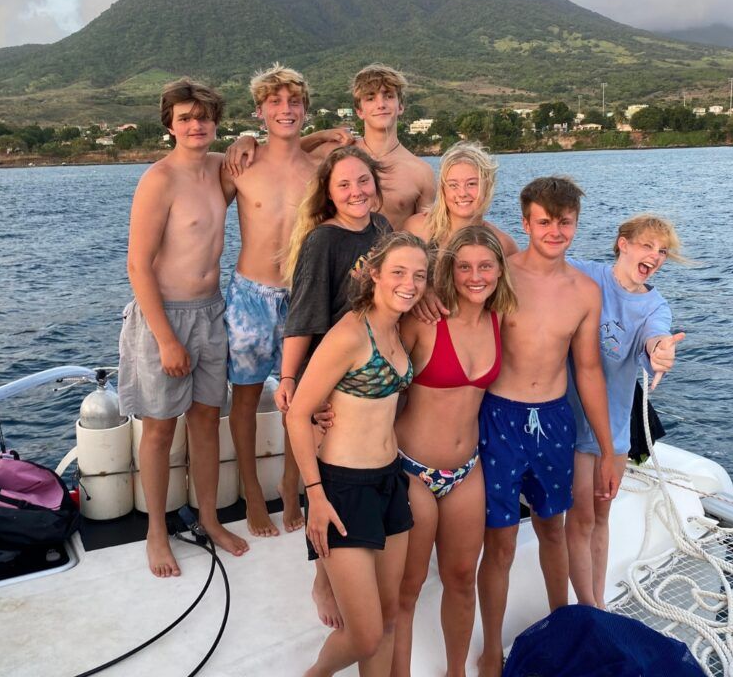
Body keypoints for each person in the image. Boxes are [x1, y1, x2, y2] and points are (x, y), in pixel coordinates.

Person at [475, 176, 619, 677]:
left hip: (555, 419)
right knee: (501, 541)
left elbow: (589, 370)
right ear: (526, 222)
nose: (554, 231)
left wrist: (608, 448)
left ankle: (564, 633)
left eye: (564, 222)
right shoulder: (501, 277)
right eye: (544, 221)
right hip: (499, 417)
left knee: (553, 532)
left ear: (576, 223)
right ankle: (491, 648)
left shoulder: (585, 290)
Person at [118, 78, 248, 578]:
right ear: (170, 123)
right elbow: (137, 265)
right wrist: (167, 338)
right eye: (185, 117)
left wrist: (322, 139)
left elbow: (283, 154)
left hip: (211, 312)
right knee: (158, 429)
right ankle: (156, 531)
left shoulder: (221, 169)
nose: (196, 125)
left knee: (205, 422)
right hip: (164, 318)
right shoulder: (160, 179)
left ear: (216, 121)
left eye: (204, 117)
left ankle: (211, 519)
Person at [285, 232, 430, 677]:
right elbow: (298, 415)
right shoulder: (349, 333)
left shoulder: (397, 326)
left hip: (389, 481)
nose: (410, 283)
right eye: (399, 272)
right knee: (364, 633)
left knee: (387, 619)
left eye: (419, 275)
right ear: (374, 275)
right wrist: (315, 496)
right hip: (343, 488)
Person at [392, 226, 517, 677]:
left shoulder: (500, 320)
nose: (475, 276)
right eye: (464, 266)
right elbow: (378, 373)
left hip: (467, 470)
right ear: (450, 271)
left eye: (485, 266)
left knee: (462, 579)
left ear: (501, 271)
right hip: (411, 469)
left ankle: (455, 672)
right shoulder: (425, 322)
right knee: (407, 589)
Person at [275, 145, 392, 628]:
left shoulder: (383, 231)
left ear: (376, 185)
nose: (355, 191)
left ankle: (349, 561)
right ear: (328, 192)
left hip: (370, 376)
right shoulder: (323, 242)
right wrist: (289, 380)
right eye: (343, 184)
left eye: (362, 181)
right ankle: (324, 578)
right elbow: (303, 314)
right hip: (328, 378)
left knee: (354, 473)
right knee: (325, 481)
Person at [565, 214, 686, 608]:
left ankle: (595, 603)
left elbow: (656, 339)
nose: (655, 256)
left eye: (662, 251)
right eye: (647, 245)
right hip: (566, 422)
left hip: (611, 432)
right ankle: (587, 608)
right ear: (623, 244)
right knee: (579, 518)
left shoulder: (655, 306)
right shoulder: (584, 275)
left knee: (599, 519)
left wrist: (660, 351)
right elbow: (534, 268)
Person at [220, 63, 317, 538]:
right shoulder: (240, 165)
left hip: (300, 298)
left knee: (298, 398)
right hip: (248, 297)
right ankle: (253, 493)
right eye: (275, 102)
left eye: (293, 102)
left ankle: (292, 483)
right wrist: (240, 141)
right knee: (244, 398)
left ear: (305, 110)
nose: (285, 109)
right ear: (260, 112)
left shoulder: (320, 173)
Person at [224, 63, 436, 230]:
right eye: (371, 98)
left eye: (389, 96)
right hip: (339, 276)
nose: (381, 104)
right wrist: (248, 141)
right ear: (359, 110)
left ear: (401, 106)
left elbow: (426, 235)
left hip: (388, 279)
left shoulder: (421, 172)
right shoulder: (336, 154)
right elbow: (286, 152)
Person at [403, 141, 518, 323]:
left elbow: (507, 303)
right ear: (443, 189)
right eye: (453, 185)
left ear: (488, 186)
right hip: (419, 334)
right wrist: (423, 289)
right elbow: (394, 278)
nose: (462, 193)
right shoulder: (418, 228)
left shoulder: (504, 244)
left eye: (471, 184)